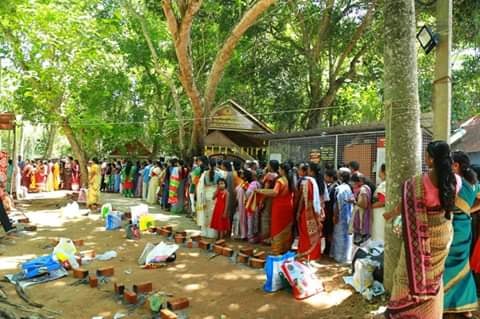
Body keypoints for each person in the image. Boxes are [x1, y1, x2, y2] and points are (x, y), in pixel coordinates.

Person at [384, 141, 460, 318]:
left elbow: (405, 208)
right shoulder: (456, 180)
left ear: (431, 159)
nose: (425, 158)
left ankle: (403, 311)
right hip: (443, 236)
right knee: (435, 278)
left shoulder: (417, 184)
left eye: (426, 155)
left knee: (406, 274)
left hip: (420, 238)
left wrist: (390, 214)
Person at [444, 151, 479, 317]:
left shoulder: (453, 183)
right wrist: (468, 211)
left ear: (456, 165)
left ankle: (443, 304)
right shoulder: (474, 183)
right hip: (465, 226)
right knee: (463, 266)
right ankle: (466, 307)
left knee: (446, 265)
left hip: (452, 227)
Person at [256, 162, 294, 255]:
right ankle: (285, 249)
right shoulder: (290, 180)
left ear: (283, 170)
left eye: (280, 169)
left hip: (279, 207)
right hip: (289, 206)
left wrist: (260, 191)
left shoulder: (280, 180)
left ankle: (277, 250)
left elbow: (274, 192)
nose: (279, 171)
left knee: (277, 228)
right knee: (286, 228)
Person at [296, 163, 325, 261]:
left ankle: (306, 254)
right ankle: (314, 255)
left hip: (307, 212)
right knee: (314, 233)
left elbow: (303, 200)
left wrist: (298, 212)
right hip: (316, 211)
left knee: (305, 234)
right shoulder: (317, 181)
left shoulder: (305, 182)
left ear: (308, 171)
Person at [330, 168, 354, 263]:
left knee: (339, 236)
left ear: (340, 176)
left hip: (340, 215)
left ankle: (338, 257)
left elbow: (338, 204)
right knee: (345, 237)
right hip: (347, 216)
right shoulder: (348, 187)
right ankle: (344, 256)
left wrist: (335, 215)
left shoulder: (339, 189)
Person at [196, 158, 220, 238]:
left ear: (209, 165)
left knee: (205, 214)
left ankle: (205, 232)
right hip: (214, 195)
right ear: (216, 165)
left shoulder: (204, 174)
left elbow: (200, 186)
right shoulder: (219, 174)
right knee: (212, 214)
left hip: (205, 195)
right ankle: (212, 233)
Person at [350, 173, 372, 245]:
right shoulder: (367, 187)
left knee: (359, 242)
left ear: (357, 182)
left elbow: (364, 205)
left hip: (361, 217)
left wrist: (354, 201)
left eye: (352, 182)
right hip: (365, 217)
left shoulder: (363, 190)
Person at [324, 167, 339, 256]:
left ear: (330, 177)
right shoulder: (330, 186)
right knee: (327, 232)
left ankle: (329, 250)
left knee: (330, 232)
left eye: (326, 176)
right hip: (328, 212)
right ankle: (327, 249)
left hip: (331, 212)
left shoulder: (335, 187)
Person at [371, 164, 386, 242]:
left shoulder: (383, 185)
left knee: (378, 234)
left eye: (380, 170)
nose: (378, 172)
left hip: (379, 213)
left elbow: (382, 201)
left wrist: (371, 206)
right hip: (382, 213)